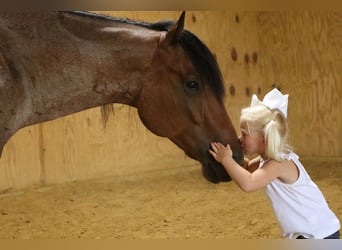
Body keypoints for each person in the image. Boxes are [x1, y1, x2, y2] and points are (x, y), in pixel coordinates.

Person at [209, 88, 340, 239]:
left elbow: (249, 183)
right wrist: (230, 154)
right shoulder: (267, 161)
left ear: (264, 138)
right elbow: (245, 169)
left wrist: (226, 159)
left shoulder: (279, 163)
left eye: (244, 134)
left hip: (319, 235)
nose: (240, 138)